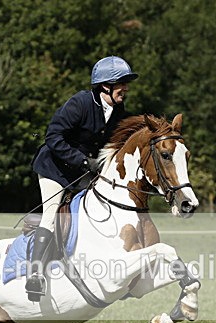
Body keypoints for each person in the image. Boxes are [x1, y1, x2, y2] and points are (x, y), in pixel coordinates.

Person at [26, 55, 138, 301]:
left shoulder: (119, 112)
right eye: (121, 83)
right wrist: (85, 161)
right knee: (52, 213)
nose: (126, 88)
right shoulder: (80, 103)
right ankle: (34, 275)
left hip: (84, 173)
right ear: (104, 86)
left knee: (101, 213)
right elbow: (53, 137)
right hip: (54, 168)